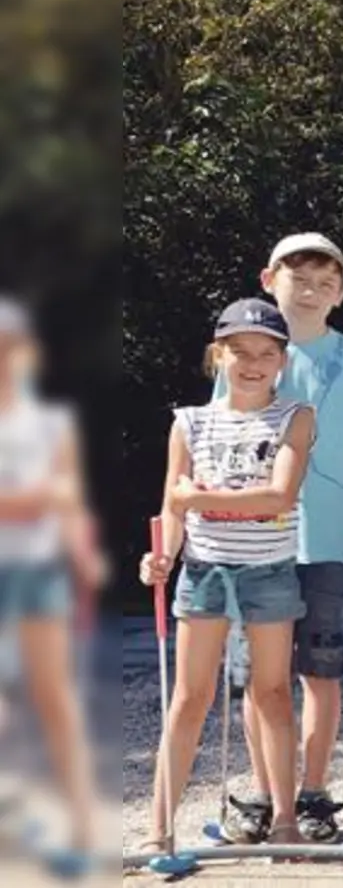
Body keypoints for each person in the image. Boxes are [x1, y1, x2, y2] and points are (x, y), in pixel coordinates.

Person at [138, 299, 315, 851]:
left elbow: (278, 497)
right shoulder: (189, 423)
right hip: (205, 570)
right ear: (219, 356)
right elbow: (172, 504)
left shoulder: (296, 416)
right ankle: (159, 830)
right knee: (190, 697)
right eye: (240, 352)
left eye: (266, 352)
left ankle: (285, 822)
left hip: (268, 570)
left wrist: (201, 499)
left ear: (283, 360)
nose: (253, 362)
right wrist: (163, 553)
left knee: (273, 694)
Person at [221, 233, 343, 844]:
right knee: (262, 678)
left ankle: (311, 796)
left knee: (320, 671)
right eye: (298, 278)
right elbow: (219, 434)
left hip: (330, 539)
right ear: (269, 279)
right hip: (253, 541)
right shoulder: (245, 353)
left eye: (324, 282)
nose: (310, 292)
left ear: (340, 293)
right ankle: (265, 794)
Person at [0, 297, 105, 873]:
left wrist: (84, 558)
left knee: (54, 700)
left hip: (39, 573)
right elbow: (46, 496)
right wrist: (36, 500)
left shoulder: (51, 423)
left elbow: (69, 502)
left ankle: (82, 828)